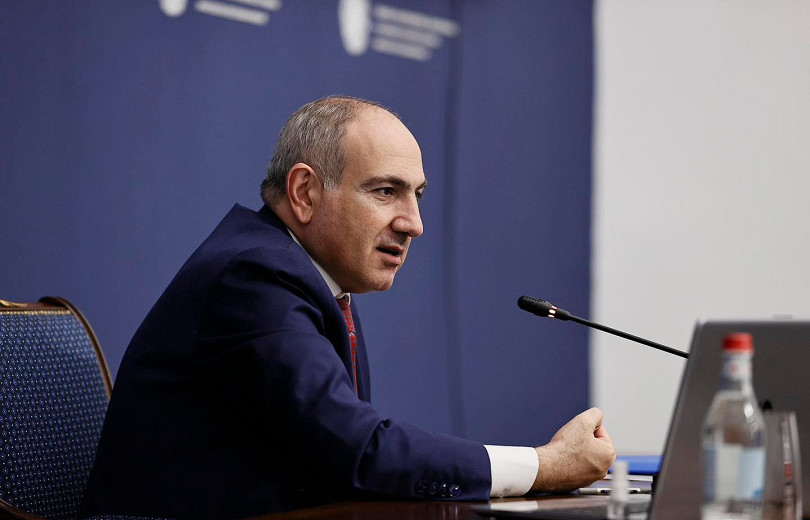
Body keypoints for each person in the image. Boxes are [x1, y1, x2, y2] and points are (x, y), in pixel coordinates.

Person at [81, 96, 615, 519]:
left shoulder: (310, 276)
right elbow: (359, 451)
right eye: (385, 191)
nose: (413, 223)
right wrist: (544, 466)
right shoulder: (252, 277)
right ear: (305, 192)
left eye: (417, 195)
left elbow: (340, 458)